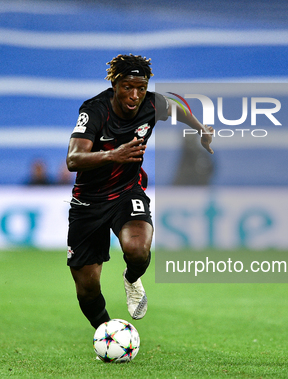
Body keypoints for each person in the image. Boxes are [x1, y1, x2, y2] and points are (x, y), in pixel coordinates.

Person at [66, 54, 214, 329]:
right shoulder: (95, 110)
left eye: (141, 88)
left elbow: (178, 109)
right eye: (127, 87)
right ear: (115, 84)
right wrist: (114, 155)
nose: (135, 95)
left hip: (127, 192)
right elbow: (73, 159)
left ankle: (132, 278)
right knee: (87, 289)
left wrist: (201, 129)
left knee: (138, 250)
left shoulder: (152, 104)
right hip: (88, 202)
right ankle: (108, 334)